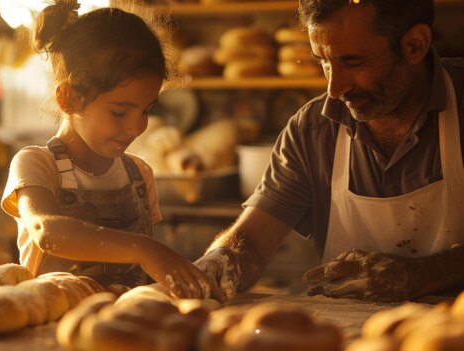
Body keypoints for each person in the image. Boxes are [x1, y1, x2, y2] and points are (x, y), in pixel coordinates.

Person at [194, 0, 464, 303]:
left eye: (353, 62)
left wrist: (424, 274)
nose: (334, 89)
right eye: (323, 61)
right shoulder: (312, 130)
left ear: (415, 45)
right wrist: (222, 259)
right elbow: (253, 239)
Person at [0, 0, 212, 299]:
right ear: (69, 99)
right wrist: (143, 248)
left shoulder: (138, 174)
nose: (137, 127)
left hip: (125, 329)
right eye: (120, 112)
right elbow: (47, 233)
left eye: (145, 110)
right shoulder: (36, 164)